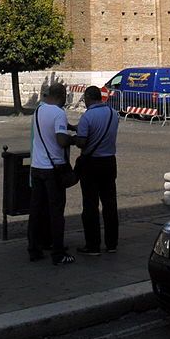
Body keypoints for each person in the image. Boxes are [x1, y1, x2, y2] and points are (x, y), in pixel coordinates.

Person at [28, 81, 76, 266]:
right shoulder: (59, 113)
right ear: (62, 96)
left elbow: (47, 130)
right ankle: (58, 252)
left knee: (36, 210)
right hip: (53, 169)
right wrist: (74, 139)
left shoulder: (38, 110)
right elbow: (61, 140)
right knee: (56, 211)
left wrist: (68, 126)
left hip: (37, 167)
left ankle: (34, 249)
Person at [74, 85, 119, 256]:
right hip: (109, 162)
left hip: (91, 164)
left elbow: (82, 142)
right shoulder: (112, 114)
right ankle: (112, 243)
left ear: (87, 98)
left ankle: (92, 245)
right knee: (110, 204)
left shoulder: (87, 116)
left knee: (90, 204)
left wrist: (73, 138)